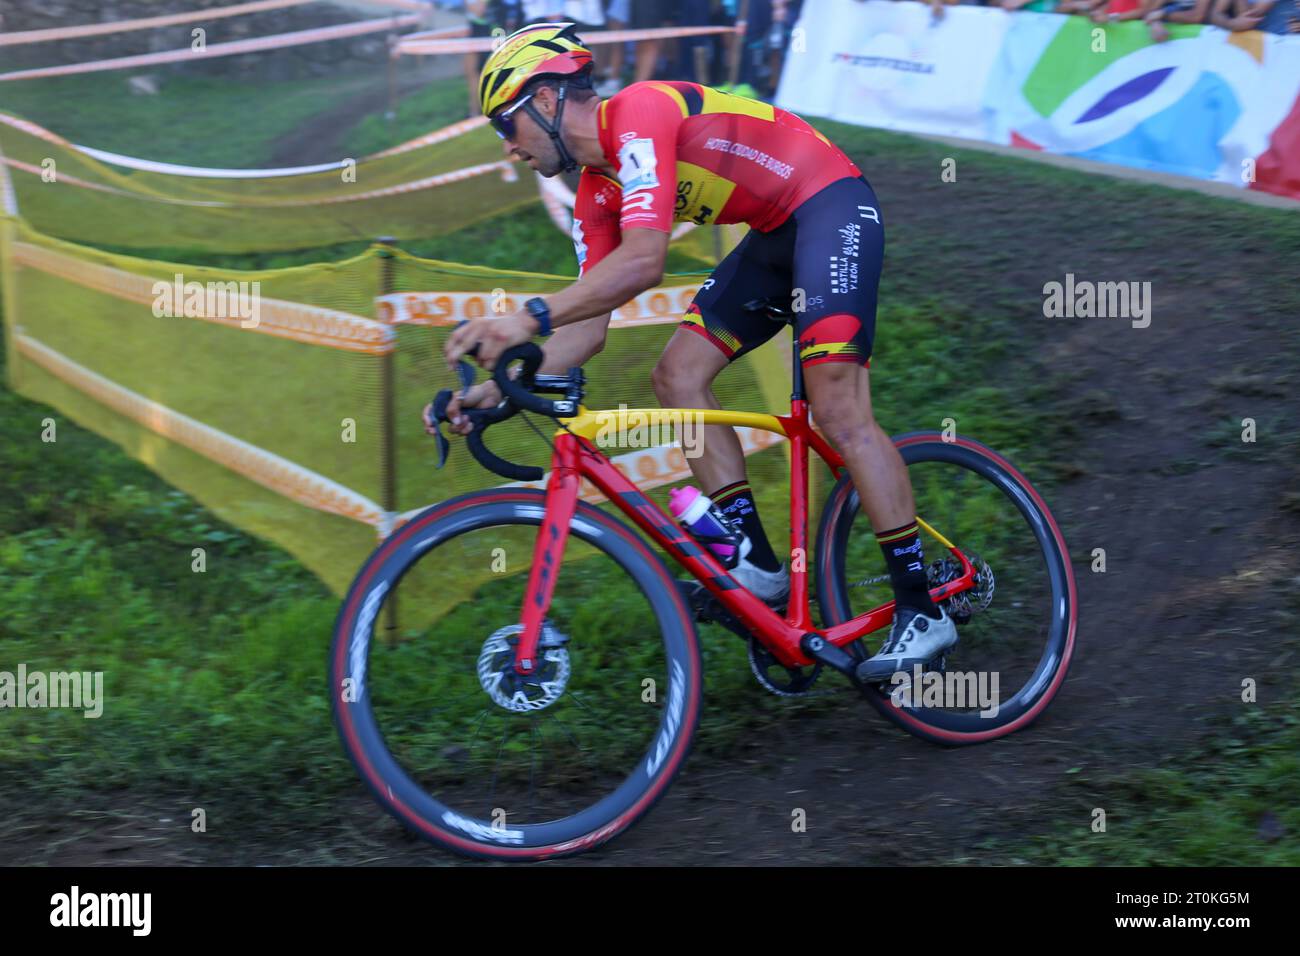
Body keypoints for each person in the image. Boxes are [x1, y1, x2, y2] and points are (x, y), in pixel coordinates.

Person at [430, 22, 959, 681]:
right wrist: (488, 396)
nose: (509, 149)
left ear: (545, 100)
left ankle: (921, 606)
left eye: (505, 126)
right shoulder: (596, 191)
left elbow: (645, 261)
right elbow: (589, 328)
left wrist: (526, 315)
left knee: (838, 410)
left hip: (830, 206)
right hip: (774, 233)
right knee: (677, 375)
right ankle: (761, 572)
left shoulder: (642, 112)